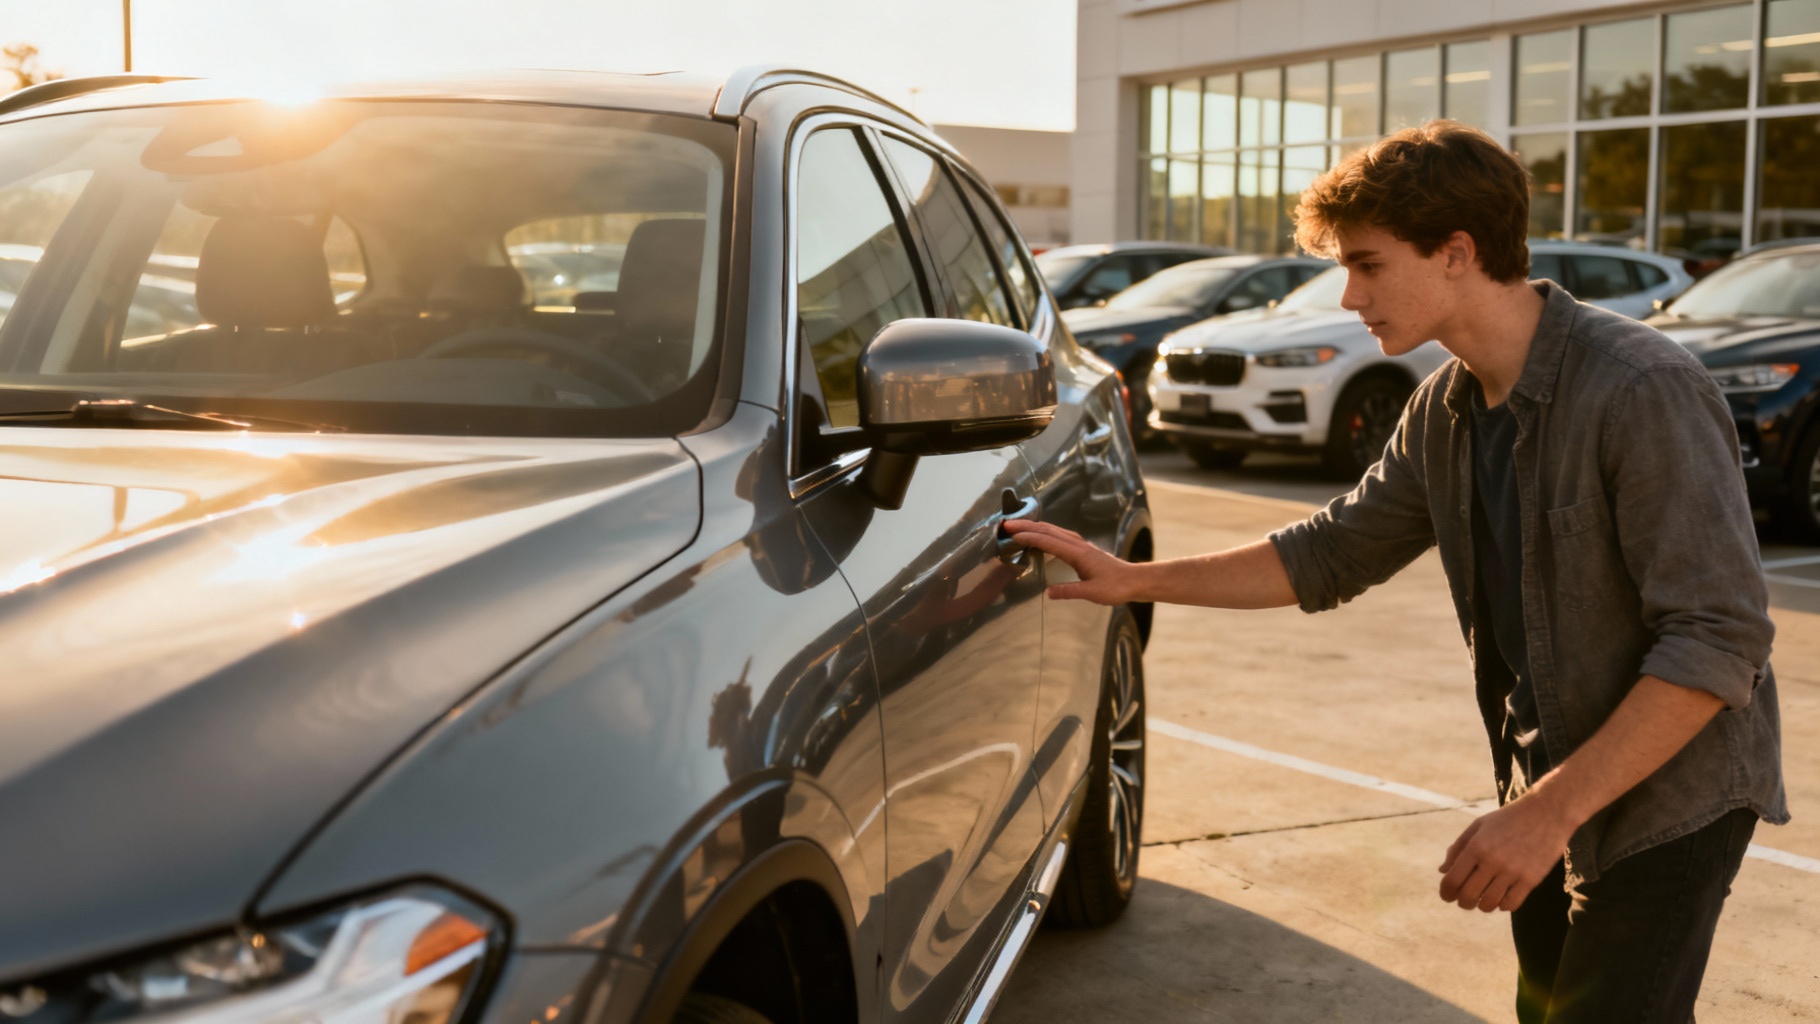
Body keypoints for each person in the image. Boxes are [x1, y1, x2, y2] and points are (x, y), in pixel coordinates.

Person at [1007, 120, 1786, 1023]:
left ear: (1457, 252)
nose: (1350, 296)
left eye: (1368, 265)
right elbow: (1330, 552)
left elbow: (1718, 640)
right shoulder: (1445, 409)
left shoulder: (1640, 389)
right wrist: (1130, 579)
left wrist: (1547, 813)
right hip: (1544, 780)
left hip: (1669, 793)